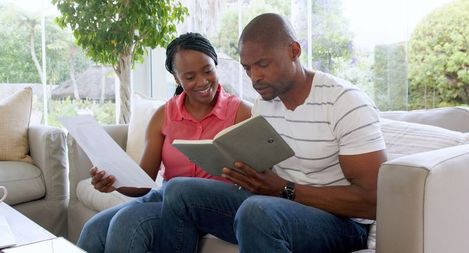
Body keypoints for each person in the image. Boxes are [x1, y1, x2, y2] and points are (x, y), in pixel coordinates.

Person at [156, 13, 388, 253]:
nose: (255, 78)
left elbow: (372, 202)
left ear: (294, 51)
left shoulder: (345, 102)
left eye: (263, 65)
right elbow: (268, 176)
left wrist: (283, 189)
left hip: (340, 223)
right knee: (179, 191)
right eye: (248, 68)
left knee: (257, 212)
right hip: (277, 206)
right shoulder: (264, 104)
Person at [76, 32, 251, 253]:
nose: (202, 82)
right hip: (167, 195)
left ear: (215, 65)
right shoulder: (164, 115)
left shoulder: (241, 113)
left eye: (208, 71)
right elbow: (144, 182)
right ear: (176, 79)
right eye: (189, 77)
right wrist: (114, 182)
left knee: (128, 221)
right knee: (94, 228)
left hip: (214, 203)